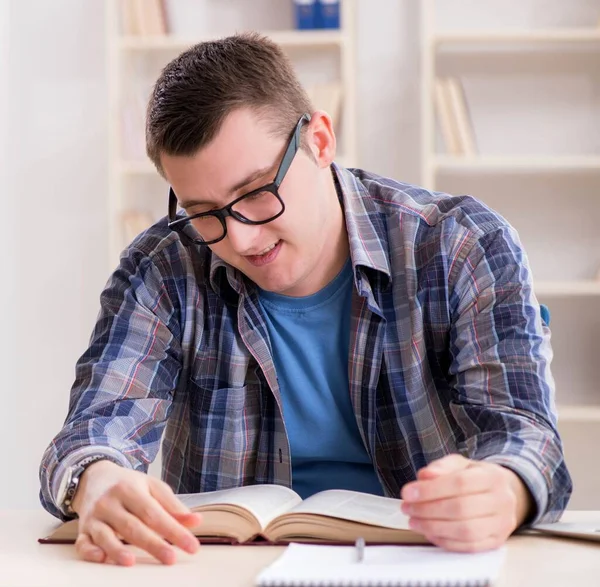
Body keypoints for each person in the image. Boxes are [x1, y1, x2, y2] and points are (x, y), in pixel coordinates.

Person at [39, 32, 572, 567]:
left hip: (424, 565)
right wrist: (97, 482)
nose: (241, 240)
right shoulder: (164, 265)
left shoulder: (460, 243)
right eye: (204, 212)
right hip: (228, 574)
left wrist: (504, 489)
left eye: (254, 193)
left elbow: (527, 439)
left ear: (319, 141)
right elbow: (92, 433)